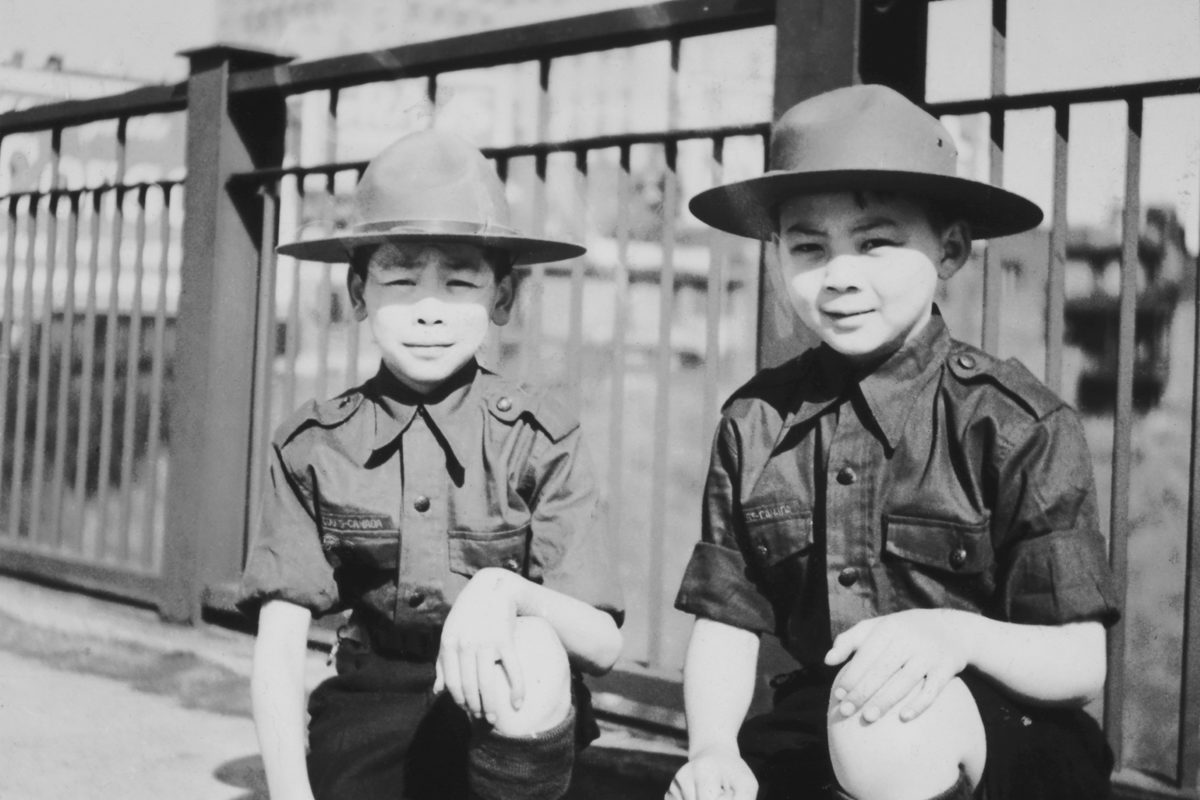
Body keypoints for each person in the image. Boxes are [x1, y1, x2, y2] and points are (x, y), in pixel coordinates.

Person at [666, 84, 1119, 800]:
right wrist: (714, 749)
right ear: (776, 255)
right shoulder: (755, 423)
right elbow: (728, 620)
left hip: (1004, 738)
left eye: (876, 242)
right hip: (825, 724)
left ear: (951, 249)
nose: (840, 276)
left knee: (883, 728)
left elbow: (1079, 660)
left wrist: (954, 637)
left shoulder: (1013, 425)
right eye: (808, 247)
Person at [238, 129, 624, 800]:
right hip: (371, 699)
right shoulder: (313, 444)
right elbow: (278, 643)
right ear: (359, 294)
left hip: (509, 696)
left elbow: (601, 643)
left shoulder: (540, 437)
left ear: (503, 298)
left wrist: (503, 594)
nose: (428, 310)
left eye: (460, 282)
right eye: (400, 279)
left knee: (531, 653)